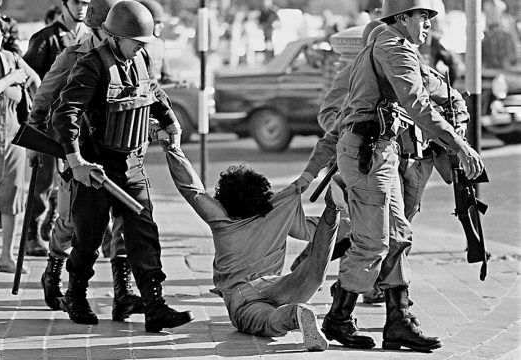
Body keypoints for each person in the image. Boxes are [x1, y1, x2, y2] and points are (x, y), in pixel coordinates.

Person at [298, 0, 484, 352]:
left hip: (380, 151)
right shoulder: (393, 47)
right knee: (371, 242)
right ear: (402, 17)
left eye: (430, 17)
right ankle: (338, 318)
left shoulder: (393, 49)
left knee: (398, 234)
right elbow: (417, 104)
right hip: (368, 153)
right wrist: (460, 146)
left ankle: (399, 320)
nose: (428, 23)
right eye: (422, 16)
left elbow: (438, 98)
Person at [51, 0, 193, 332]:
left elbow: (153, 92)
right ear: (116, 36)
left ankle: (155, 306)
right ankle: (76, 296)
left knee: (144, 235)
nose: (142, 48)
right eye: (136, 42)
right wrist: (76, 161)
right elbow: (65, 112)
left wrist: (170, 122)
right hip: (97, 170)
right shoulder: (91, 65)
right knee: (88, 239)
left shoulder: (139, 58)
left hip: (132, 165)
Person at [158, 138, 339, 351]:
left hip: (242, 297)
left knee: (267, 321)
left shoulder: (222, 221)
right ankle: (333, 207)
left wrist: (172, 148)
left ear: (223, 200)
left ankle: (296, 314)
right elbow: (313, 232)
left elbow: (192, 190)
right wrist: (346, 219)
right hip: (277, 285)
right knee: (314, 273)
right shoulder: (277, 211)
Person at [29, 0, 144, 323]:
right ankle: (54, 267)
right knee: (71, 222)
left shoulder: (131, 53)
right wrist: (36, 140)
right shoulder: (76, 54)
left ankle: (124, 292)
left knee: (123, 222)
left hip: (119, 155)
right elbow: (46, 96)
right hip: (79, 154)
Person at [22, 0, 91, 257]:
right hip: (50, 121)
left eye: (87, 2)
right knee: (43, 181)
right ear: (64, 4)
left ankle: (62, 231)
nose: (82, 7)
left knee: (75, 181)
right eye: (77, 1)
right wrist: (35, 122)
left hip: (79, 122)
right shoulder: (45, 38)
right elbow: (28, 75)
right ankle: (31, 234)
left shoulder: (91, 36)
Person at [0, 13, 40, 273]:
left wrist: (38, 113)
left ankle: (6, 256)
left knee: (13, 196)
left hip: (13, 139)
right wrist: (9, 80)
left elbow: (36, 81)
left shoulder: (12, 58)